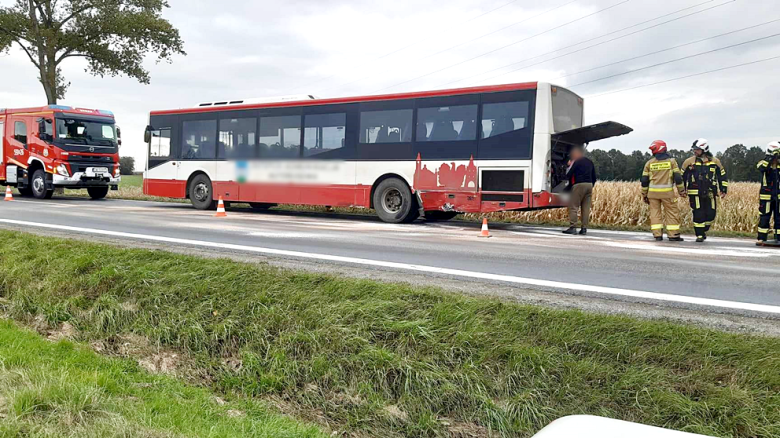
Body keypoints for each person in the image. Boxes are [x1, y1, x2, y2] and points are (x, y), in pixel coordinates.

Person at [682, 139, 729, 243]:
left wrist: (723, 189)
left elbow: (722, 176)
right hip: (695, 193)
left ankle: (704, 229)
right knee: (698, 213)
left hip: (710, 192)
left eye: (697, 149)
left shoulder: (715, 162)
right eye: (694, 149)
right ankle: (699, 234)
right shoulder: (689, 162)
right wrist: (682, 190)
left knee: (711, 213)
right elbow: (682, 177)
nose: (695, 152)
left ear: (704, 149)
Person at [641, 140, 685, 242]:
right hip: (667, 193)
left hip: (652, 194)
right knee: (671, 213)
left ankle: (657, 235)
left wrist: (644, 194)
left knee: (655, 213)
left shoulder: (649, 163)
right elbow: (678, 178)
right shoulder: (671, 162)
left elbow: (644, 180)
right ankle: (673, 235)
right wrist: (681, 190)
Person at [562, 146, 596, 235]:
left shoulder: (577, 162)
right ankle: (584, 229)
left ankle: (573, 227)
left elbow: (569, 174)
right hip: (589, 185)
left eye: (573, 154)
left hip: (579, 185)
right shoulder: (590, 162)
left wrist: (568, 166)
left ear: (577, 154)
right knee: (585, 208)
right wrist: (591, 185)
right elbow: (594, 177)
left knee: (573, 206)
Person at [756, 141, 780, 245]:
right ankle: (761, 238)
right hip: (766, 197)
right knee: (764, 217)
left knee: (779, 217)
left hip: (778, 196)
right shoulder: (763, 163)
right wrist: (770, 158)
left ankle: (778, 238)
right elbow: (762, 167)